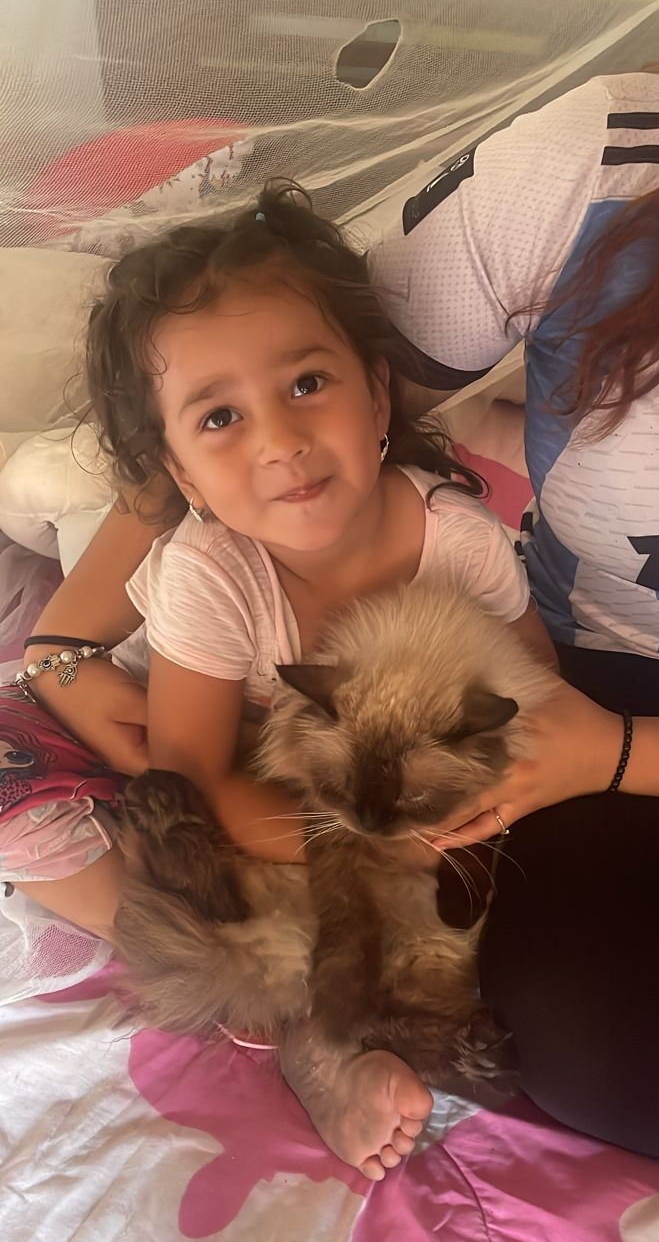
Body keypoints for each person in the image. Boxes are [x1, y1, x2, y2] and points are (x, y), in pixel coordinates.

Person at [16, 0, 659, 1185]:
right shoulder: (588, 174)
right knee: (584, 1042)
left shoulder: (458, 547)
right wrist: (70, 635)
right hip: (576, 686)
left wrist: (619, 754)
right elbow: (280, 392)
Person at [2, 182, 553, 1179]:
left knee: (495, 893)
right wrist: (369, 856)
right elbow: (192, 782)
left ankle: (329, 1005)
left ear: (377, 395)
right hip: (221, 798)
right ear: (177, 473)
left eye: (306, 384)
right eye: (220, 416)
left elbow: (539, 700)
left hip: (369, 812)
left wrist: (450, 828)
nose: (279, 442)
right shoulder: (211, 572)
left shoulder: (460, 544)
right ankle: (302, 1022)